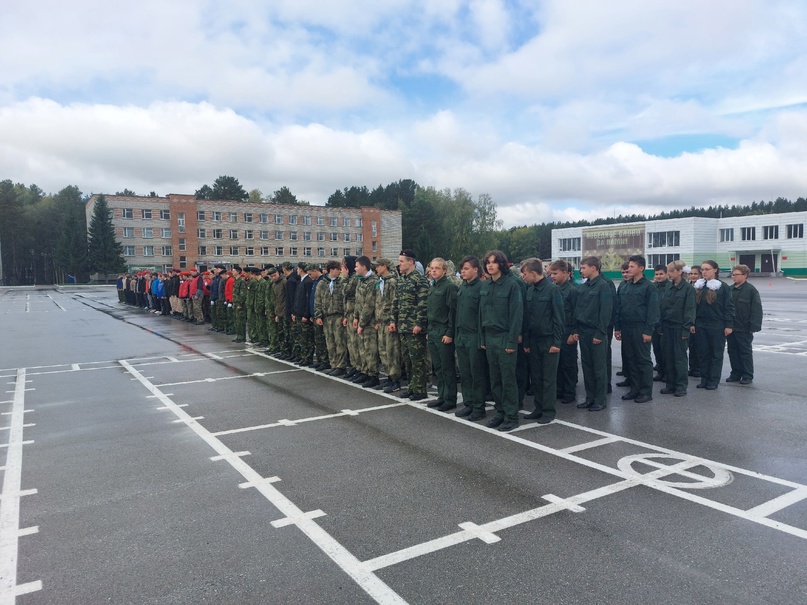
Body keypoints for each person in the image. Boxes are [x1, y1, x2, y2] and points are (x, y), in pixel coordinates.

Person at [479, 250, 523, 431]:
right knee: (495, 378)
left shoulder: (512, 285)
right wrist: (482, 338)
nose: (490, 265)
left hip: (505, 337)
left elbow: (516, 315)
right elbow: (481, 314)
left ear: (502, 264)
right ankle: (500, 412)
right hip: (490, 337)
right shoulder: (486, 285)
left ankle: (511, 416)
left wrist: (512, 341)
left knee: (508, 379)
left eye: (494, 262)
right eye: (488, 262)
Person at [520, 258, 564, 424]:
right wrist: (526, 342)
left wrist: (557, 343)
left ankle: (548, 411)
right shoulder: (530, 291)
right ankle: (538, 408)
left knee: (548, 378)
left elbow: (559, 318)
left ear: (533, 273)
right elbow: (527, 319)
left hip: (548, 340)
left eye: (525, 274)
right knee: (537, 377)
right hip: (534, 340)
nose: (523, 277)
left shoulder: (553, 290)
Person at [614, 255, 659, 404]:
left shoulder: (649, 287)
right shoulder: (625, 286)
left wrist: (648, 331)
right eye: (629, 266)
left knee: (643, 360)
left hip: (641, 327)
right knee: (631, 359)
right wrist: (617, 328)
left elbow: (653, 311)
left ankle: (646, 392)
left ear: (641, 268)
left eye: (632, 267)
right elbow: (619, 308)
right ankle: (634, 389)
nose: (629, 269)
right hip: (626, 327)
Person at [574, 256, 613, 411]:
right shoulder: (584, 287)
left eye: (583, 267)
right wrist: (576, 330)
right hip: (584, 331)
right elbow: (578, 309)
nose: (581, 270)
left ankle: (600, 400)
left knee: (599, 368)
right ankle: (590, 398)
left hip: (596, 332)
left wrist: (600, 332)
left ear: (593, 268)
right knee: (587, 366)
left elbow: (605, 311)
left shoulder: (603, 286)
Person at [391, 249, 430, 401]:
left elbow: (423, 304)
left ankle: (420, 389)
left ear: (411, 262)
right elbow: (396, 302)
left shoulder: (419, 280)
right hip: (403, 325)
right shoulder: (401, 279)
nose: (399, 264)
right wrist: (393, 320)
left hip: (414, 327)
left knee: (417, 359)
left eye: (402, 261)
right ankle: (412, 387)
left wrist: (419, 323)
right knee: (407, 359)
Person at [454, 256, 487, 420]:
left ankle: (479, 407)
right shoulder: (463, 287)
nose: (463, 271)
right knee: (465, 373)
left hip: (474, 336)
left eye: (466, 268)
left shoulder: (481, 288)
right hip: (462, 336)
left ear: (476, 269)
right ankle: (469, 403)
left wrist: (482, 339)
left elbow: (483, 315)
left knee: (477, 373)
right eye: (462, 269)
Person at [693, 260, 734, 390]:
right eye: (702, 269)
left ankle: (713, 380)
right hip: (701, 324)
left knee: (716, 354)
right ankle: (704, 379)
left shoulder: (723, 287)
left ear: (715, 270)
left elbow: (728, 307)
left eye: (707, 269)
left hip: (717, 324)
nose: (704, 272)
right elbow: (693, 307)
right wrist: (693, 323)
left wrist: (729, 325)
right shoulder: (699, 286)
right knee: (703, 353)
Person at [658, 260, 696, 397]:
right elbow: (662, 307)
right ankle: (670, 384)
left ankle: (680, 386)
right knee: (668, 356)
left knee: (679, 358)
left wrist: (686, 329)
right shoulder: (668, 287)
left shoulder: (688, 289)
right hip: (667, 327)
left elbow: (689, 310)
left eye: (671, 271)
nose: (668, 274)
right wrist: (660, 326)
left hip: (679, 327)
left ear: (680, 272)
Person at [426, 257, 458, 411]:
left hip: (443, 331)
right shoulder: (432, 287)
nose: (433, 271)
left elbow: (452, 312)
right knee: (438, 368)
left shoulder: (449, 287)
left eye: (437, 268)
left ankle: (450, 399)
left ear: (444, 271)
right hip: (433, 331)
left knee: (447, 368)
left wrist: (449, 333)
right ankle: (442, 396)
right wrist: (428, 330)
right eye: (432, 268)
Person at [548, 260, 579, 405]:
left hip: (568, 331)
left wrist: (574, 332)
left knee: (568, 363)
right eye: (551, 274)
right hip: (557, 331)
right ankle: (559, 389)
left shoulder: (572, 291)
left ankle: (569, 392)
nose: (552, 276)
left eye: (555, 273)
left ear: (565, 273)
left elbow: (576, 313)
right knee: (558, 363)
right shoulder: (553, 289)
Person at [727, 264, 762, 385]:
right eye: (733, 275)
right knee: (732, 351)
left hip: (744, 327)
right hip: (731, 327)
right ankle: (735, 373)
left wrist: (754, 326)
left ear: (745, 275)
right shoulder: (730, 289)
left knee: (745, 352)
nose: (734, 277)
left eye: (736, 275)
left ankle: (747, 375)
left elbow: (756, 309)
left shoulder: (751, 290)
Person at [374, 258, 402, 392]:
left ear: (384, 266)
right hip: (381, 322)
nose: (376, 269)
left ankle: (395, 379)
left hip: (389, 322)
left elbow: (394, 303)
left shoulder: (392, 282)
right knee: (383, 352)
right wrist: (377, 320)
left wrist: (392, 321)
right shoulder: (381, 281)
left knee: (392, 352)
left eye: (378, 266)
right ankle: (389, 376)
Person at [316, 260, 348, 376]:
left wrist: (345, 315)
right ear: (331, 270)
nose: (339, 271)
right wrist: (318, 315)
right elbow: (318, 300)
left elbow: (345, 300)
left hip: (338, 315)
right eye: (337, 269)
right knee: (330, 342)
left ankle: (341, 366)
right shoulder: (322, 283)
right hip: (327, 316)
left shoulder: (342, 282)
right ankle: (333, 364)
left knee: (340, 342)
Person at [352, 256, 380, 387]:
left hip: (370, 323)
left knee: (370, 350)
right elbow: (358, 302)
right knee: (362, 349)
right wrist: (356, 317)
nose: (355, 269)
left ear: (364, 267)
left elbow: (369, 305)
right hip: (361, 321)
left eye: (357, 266)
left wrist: (362, 323)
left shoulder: (373, 281)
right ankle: (365, 371)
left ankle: (373, 375)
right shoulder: (361, 280)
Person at [652, 264, 671, 381]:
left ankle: (668, 373)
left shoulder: (670, 286)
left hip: (665, 323)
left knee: (666, 350)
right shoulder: (653, 287)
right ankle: (660, 371)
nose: (659, 276)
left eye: (661, 274)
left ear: (667, 274)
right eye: (657, 274)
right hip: (655, 323)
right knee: (657, 349)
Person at [687, 266, 703, 377]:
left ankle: (698, 368)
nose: (693, 276)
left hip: (699, 320)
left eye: (695, 274)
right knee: (691, 345)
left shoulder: (702, 287)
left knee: (699, 346)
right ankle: (692, 367)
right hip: (689, 320)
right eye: (691, 274)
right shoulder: (688, 287)